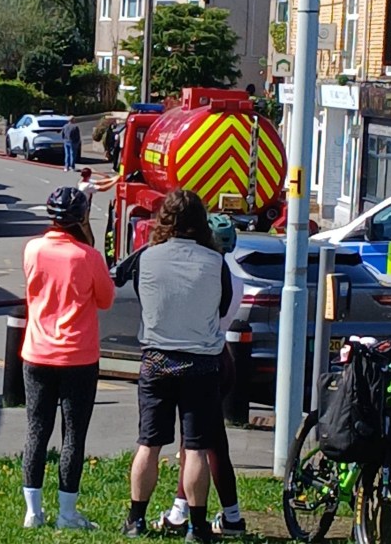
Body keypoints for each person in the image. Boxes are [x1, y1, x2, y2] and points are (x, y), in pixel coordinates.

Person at [122, 190, 230, 541]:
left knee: (148, 443)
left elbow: (142, 296)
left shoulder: (147, 258)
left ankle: (136, 519)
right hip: (200, 361)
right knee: (196, 446)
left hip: (156, 358)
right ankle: (198, 527)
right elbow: (223, 305)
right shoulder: (216, 262)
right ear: (201, 222)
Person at [21, 187, 115, 530]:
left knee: (36, 430)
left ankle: (33, 510)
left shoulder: (32, 249)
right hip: (78, 355)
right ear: (81, 217)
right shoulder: (87, 257)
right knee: (73, 435)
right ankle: (67, 513)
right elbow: (105, 300)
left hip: (36, 352)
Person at [153, 213, 247, 537]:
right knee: (206, 441)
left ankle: (202, 514)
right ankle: (205, 511)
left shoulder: (205, 274)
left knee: (196, 443)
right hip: (222, 358)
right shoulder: (236, 280)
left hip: (202, 360)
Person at [75, 167, 120, 248]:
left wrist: (114, 178)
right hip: (83, 211)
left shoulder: (84, 181)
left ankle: (87, 245)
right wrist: (115, 182)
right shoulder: (86, 185)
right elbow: (103, 188)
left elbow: (100, 182)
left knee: (86, 230)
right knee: (86, 232)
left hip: (83, 209)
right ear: (89, 175)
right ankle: (87, 246)